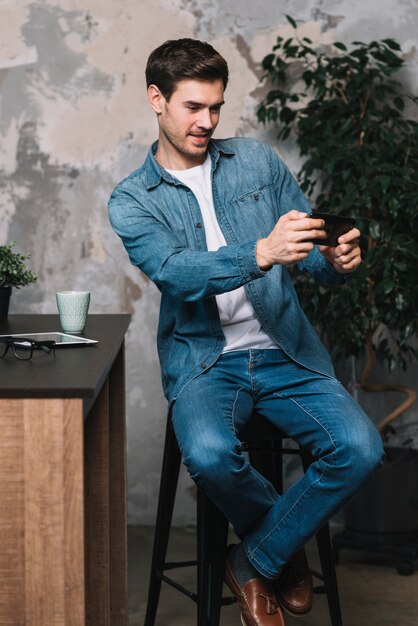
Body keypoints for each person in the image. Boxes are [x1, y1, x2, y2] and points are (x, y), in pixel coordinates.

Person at [108, 38, 384, 626]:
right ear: (156, 100)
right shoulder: (132, 200)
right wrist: (259, 251)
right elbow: (176, 273)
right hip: (207, 361)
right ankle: (282, 549)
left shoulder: (257, 162)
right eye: (193, 107)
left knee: (361, 448)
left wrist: (332, 260)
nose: (207, 122)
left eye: (216, 107)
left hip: (285, 350)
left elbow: (303, 251)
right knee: (208, 454)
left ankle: (255, 557)